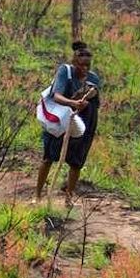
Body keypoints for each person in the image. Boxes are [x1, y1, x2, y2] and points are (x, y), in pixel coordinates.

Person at [35, 41, 103, 206]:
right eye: (81, 65)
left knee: (76, 162)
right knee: (49, 157)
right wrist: (73, 104)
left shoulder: (94, 79)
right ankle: (37, 195)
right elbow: (57, 96)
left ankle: (68, 197)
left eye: (88, 65)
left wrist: (87, 103)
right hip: (61, 120)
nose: (85, 69)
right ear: (75, 62)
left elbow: (96, 102)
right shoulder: (65, 72)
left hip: (84, 123)